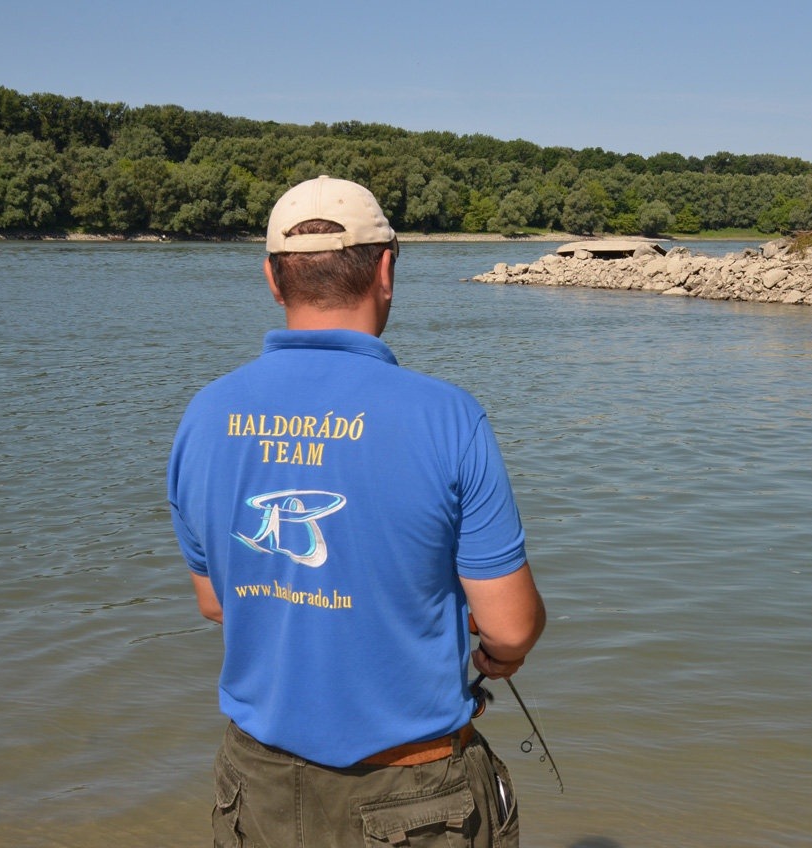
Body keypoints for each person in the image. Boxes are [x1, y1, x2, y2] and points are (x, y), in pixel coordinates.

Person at [168, 175, 545, 847]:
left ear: (273, 279)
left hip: (252, 786)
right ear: (387, 269)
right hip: (414, 796)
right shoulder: (448, 417)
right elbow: (510, 627)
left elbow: (216, 602)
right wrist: (497, 658)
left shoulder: (204, 415)